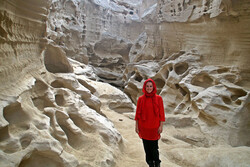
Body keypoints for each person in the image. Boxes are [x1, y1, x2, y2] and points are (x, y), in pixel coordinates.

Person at [135, 78, 165, 167]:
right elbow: (138, 114)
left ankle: (157, 162)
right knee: (146, 148)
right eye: (147, 86)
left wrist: (161, 126)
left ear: (153, 87)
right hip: (143, 127)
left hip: (154, 127)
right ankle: (150, 163)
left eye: (150, 86)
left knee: (154, 147)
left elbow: (161, 113)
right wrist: (136, 126)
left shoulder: (158, 98)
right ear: (144, 87)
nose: (149, 88)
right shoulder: (141, 99)